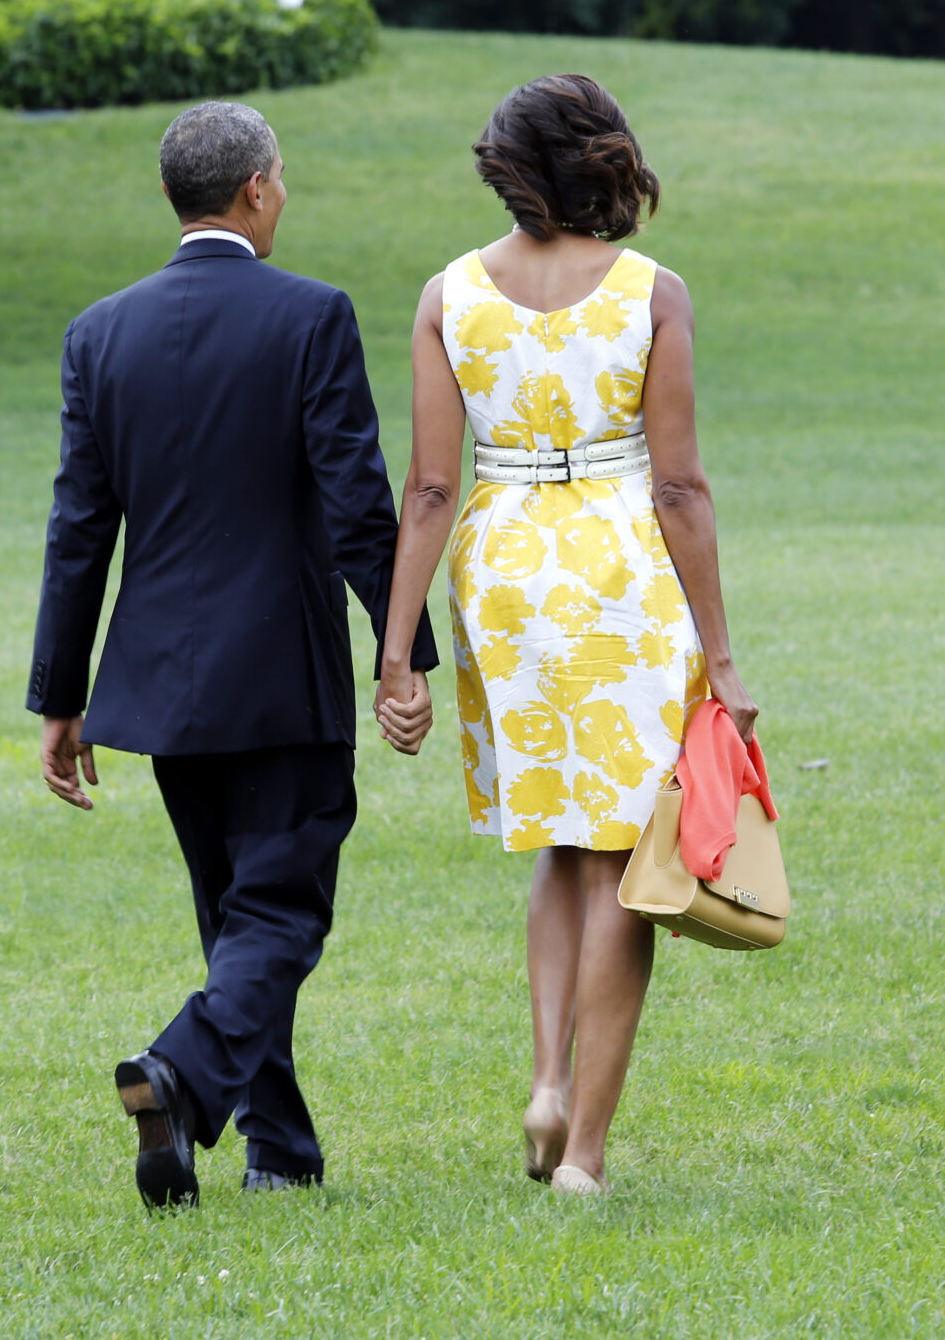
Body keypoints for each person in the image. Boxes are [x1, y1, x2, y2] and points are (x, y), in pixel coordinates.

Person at [28, 100, 437, 1208]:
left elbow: (79, 528)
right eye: (282, 177)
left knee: (236, 921)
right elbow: (356, 503)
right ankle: (178, 1071)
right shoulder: (311, 314)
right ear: (256, 189)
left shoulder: (97, 333)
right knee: (282, 913)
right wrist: (401, 651)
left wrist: (60, 694)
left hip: (161, 686)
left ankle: (280, 1150)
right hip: (283, 675)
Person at [371, 74, 758, 1197]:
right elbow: (679, 487)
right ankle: (581, 1152)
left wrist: (395, 654)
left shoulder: (448, 293)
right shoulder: (651, 291)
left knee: (557, 836)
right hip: (621, 574)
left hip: (502, 576)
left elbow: (429, 488)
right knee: (623, 859)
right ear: (602, 158)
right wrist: (723, 659)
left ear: (506, 166)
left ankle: (547, 1078)